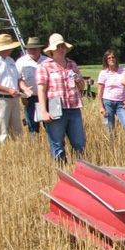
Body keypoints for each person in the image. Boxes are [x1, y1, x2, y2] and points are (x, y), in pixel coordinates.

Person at [35, 33, 86, 162]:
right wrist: (44, 111)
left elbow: (81, 87)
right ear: (51, 50)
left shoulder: (72, 64)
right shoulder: (44, 66)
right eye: (58, 47)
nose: (61, 49)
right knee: (57, 145)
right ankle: (61, 171)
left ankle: (80, 169)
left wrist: (79, 80)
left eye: (63, 46)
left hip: (74, 108)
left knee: (79, 143)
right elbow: (41, 90)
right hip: (55, 110)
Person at [0, 34, 33, 146]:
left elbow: (18, 78)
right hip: (0, 100)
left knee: (17, 131)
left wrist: (24, 88)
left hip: (14, 99)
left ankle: (16, 155)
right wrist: (8, 90)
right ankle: (0, 159)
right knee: (0, 133)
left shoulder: (10, 60)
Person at [16, 36, 48, 134]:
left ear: (40, 49)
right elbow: (18, 79)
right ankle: (34, 146)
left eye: (35, 48)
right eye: (30, 49)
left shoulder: (47, 61)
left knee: (49, 125)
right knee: (32, 126)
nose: (32, 51)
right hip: (30, 98)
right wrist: (23, 96)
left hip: (46, 97)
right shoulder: (21, 62)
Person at [97, 50, 125, 136]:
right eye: (109, 58)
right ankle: (111, 147)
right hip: (108, 102)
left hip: (121, 103)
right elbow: (99, 91)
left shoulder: (124, 71)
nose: (111, 59)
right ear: (106, 60)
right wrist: (101, 107)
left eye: (113, 57)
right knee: (110, 127)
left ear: (116, 59)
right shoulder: (103, 73)